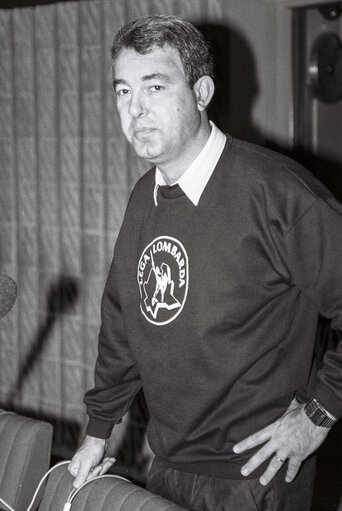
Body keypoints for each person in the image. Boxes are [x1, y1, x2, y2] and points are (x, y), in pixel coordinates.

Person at [68, 14, 342, 511]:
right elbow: (122, 323)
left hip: (258, 476)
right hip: (168, 470)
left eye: (154, 86)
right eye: (123, 91)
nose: (135, 110)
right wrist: (98, 432)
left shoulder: (276, 192)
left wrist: (318, 414)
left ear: (201, 91)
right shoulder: (143, 198)